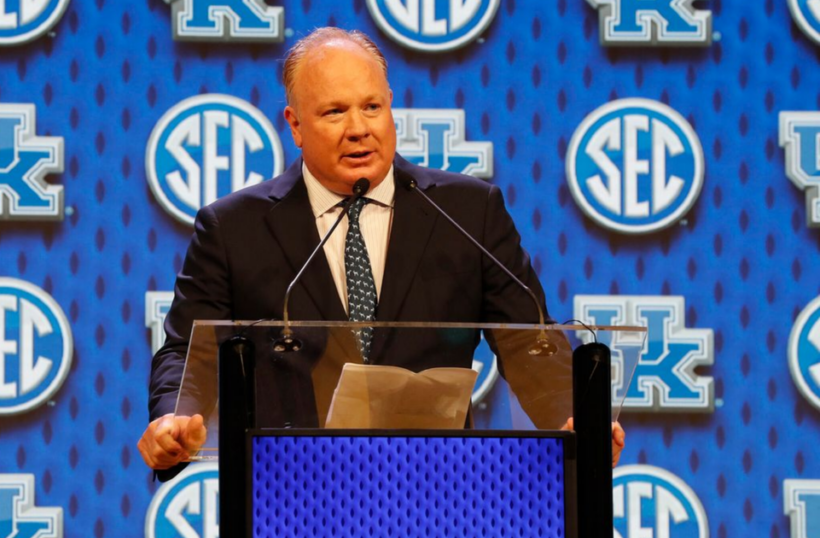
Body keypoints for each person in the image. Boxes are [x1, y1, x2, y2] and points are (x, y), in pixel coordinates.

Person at [137, 27, 625, 475]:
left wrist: (574, 416)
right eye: (334, 112)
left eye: (372, 107)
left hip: (443, 487)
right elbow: (187, 352)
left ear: (391, 105)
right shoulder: (233, 228)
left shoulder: (468, 212)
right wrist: (175, 419)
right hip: (292, 492)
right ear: (295, 124)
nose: (359, 128)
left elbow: (529, 341)